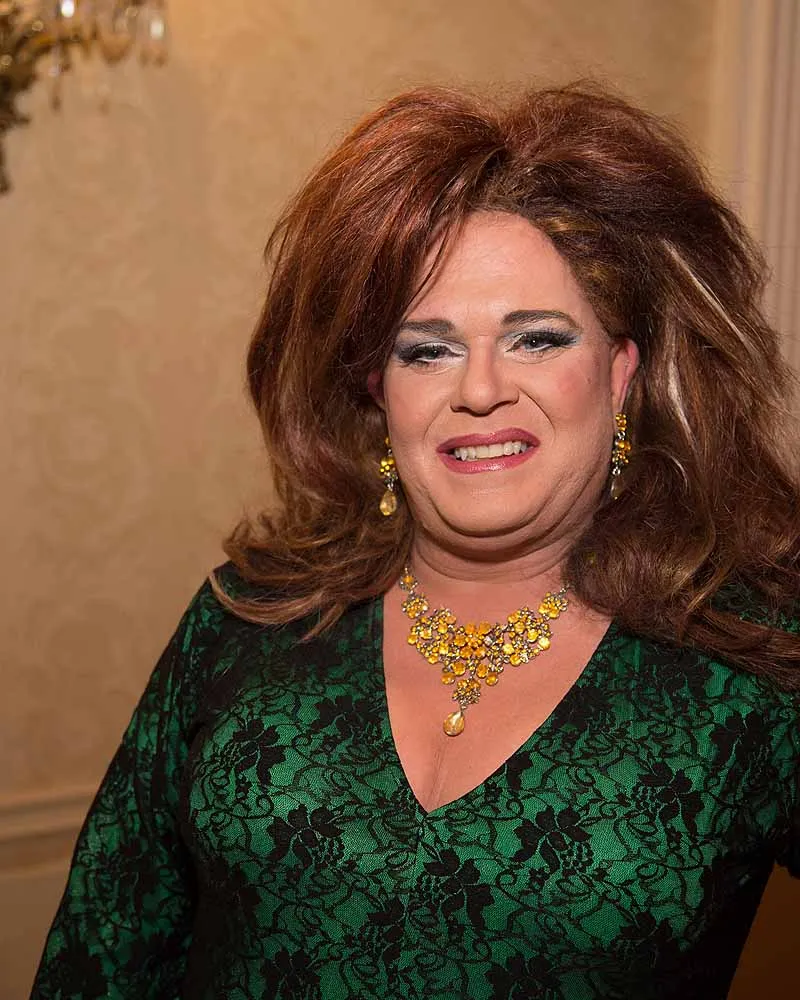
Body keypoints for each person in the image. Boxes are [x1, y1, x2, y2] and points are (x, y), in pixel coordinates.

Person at [31, 83, 800, 1000]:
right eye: (426, 349)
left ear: (620, 373)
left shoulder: (747, 658)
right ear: (377, 392)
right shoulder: (248, 619)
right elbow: (100, 954)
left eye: (537, 339)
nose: (479, 390)